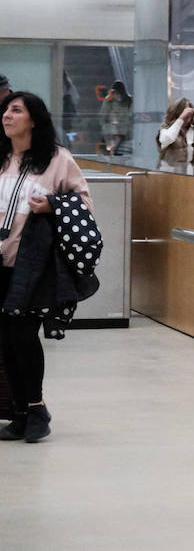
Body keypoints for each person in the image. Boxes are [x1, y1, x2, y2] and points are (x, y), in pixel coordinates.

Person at [0, 91, 95, 442]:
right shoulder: (2, 157)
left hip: (35, 264)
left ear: (34, 120)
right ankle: (21, 413)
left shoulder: (58, 159)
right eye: (5, 111)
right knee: (7, 339)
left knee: (24, 335)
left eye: (16, 110)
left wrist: (52, 205)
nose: (7, 116)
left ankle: (37, 408)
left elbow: (84, 202)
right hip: (2, 262)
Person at [156, 98, 194, 170]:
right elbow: (165, 140)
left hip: (190, 176)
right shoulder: (167, 127)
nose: (188, 114)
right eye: (185, 111)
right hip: (169, 175)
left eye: (190, 112)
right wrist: (181, 118)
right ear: (177, 112)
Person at [99, 81, 133, 156]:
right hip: (111, 127)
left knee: (120, 137)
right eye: (115, 93)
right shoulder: (108, 100)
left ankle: (114, 151)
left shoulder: (130, 101)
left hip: (124, 128)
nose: (117, 95)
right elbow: (103, 115)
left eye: (118, 93)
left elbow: (131, 117)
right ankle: (110, 151)